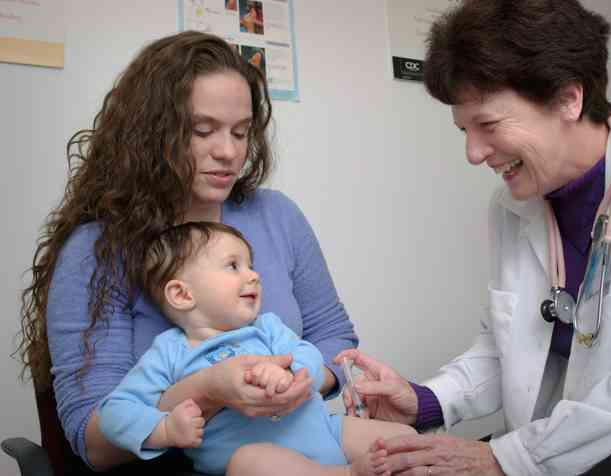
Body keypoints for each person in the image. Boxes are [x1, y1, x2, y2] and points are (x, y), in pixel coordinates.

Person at [337, 1, 611, 475]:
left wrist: (505, 457)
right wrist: (425, 400)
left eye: (488, 126)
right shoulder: (514, 206)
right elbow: (503, 347)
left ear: (568, 99)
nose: (473, 153)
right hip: (563, 436)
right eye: (463, 130)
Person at [16, 31, 358, 473]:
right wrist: (211, 391)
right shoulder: (97, 251)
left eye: (241, 132)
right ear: (151, 133)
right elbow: (94, 443)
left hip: (299, 446)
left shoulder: (277, 216)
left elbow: (335, 337)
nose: (229, 152)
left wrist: (300, 380)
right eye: (203, 131)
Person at [97, 221, 415, 475]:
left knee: (406, 442)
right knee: (250, 462)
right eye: (233, 266)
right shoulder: (169, 352)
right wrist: (164, 428)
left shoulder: (267, 327)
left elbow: (310, 355)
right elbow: (115, 412)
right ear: (182, 294)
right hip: (258, 462)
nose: (254, 275)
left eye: (251, 265)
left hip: (327, 432)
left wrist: (288, 372)